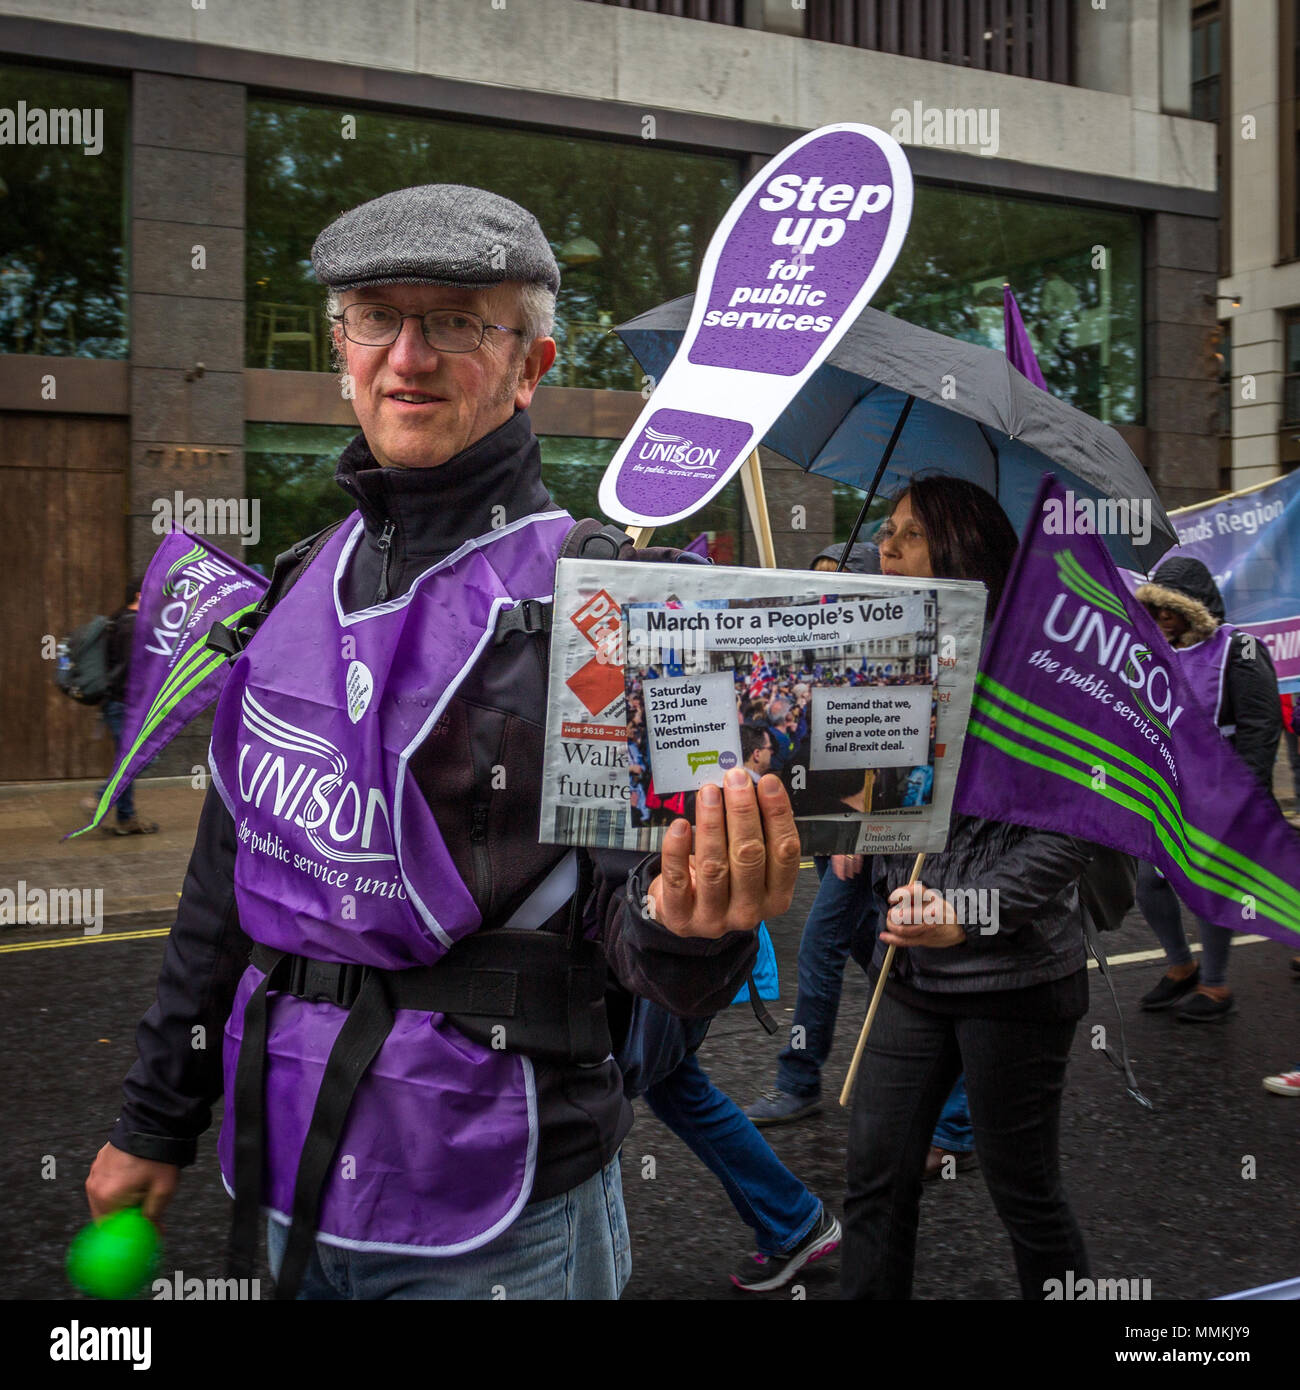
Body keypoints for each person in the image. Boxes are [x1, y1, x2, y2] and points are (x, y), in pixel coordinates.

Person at [84, 184, 802, 1302]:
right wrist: (153, 1117)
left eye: (459, 322)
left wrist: (690, 926)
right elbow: (224, 886)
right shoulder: (296, 585)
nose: (407, 357)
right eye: (377, 316)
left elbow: (640, 938)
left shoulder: (608, 599)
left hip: (497, 1205)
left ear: (530, 366)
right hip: (285, 1167)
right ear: (341, 351)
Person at [842, 474, 1095, 1301]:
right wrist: (849, 834)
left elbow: (1067, 833)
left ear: (964, 553)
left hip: (1014, 981)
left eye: (909, 534)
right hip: (909, 976)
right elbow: (883, 803)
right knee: (875, 1180)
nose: (885, 545)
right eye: (885, 529)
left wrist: (965, 912)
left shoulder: (1041, 678)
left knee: (1024, 1194)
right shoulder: (889, 660)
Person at [1133, 558, 1282, 1021]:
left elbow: (1261, 727)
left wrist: (1245, 796)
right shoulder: (1157, 654)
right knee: (1150, 883)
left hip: (1223, 791)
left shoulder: (1241, 649)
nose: (1158, 621)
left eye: (1167, 612)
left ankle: (1216, 987)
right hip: (1172, 789)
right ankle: (1182, 967)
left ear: (1192, 609)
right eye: (1153, 612)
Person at [95, 579, 159, 836]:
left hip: (118, 703)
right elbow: (130, 670)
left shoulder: (119, 620)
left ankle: (125, 817)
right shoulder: (132, 626)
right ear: (139, 595)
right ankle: (102, 798)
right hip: (124, 704)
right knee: (142, 757)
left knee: (129, 759)